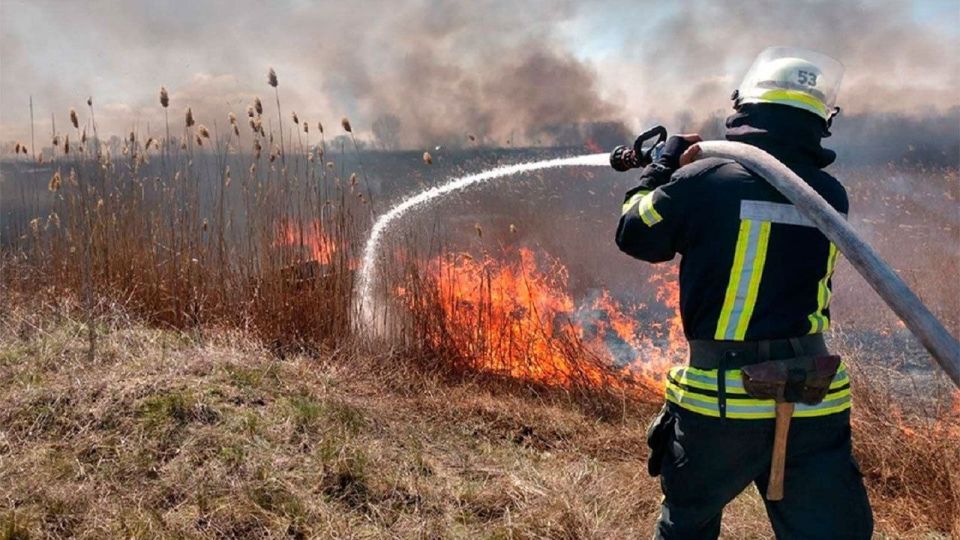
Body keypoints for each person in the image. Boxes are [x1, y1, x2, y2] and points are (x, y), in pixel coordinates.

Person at [615, 47, 873, 539]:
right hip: (812, 404)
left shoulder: (704, 179)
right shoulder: (828, 193)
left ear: (745, 107)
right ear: (821, 122)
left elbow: (635, 233)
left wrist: (661, 172)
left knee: (687, 525)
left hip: (722, 406)